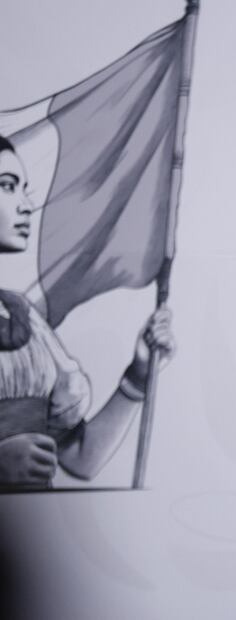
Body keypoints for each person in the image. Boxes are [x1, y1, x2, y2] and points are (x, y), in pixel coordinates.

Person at [0, 134, 175, 489]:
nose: (25, 204)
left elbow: (80, 459)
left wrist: (139, 374)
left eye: (22, 188)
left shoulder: (24, 317)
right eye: (7, 186)